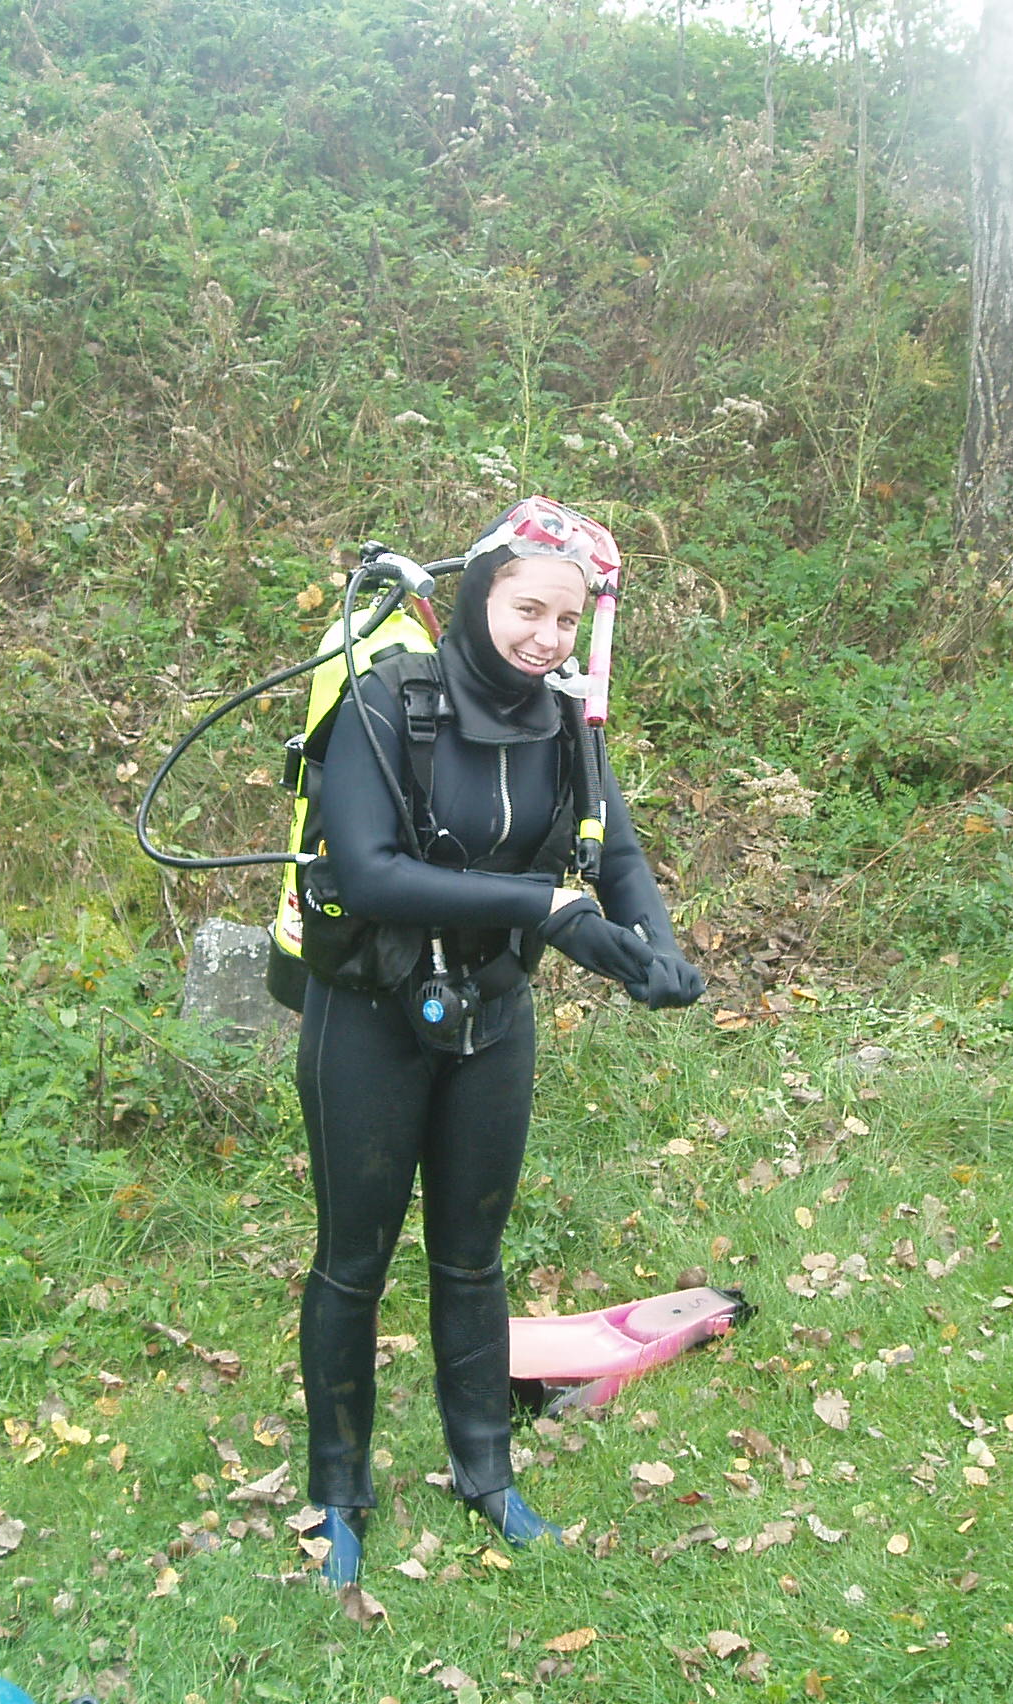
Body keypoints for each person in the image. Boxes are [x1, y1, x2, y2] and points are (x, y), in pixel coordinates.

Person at [294, 497, 704, 1586]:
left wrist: (655, 951)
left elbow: (614, 852)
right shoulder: (389, 705)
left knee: (472, 1256)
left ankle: (486, 1475)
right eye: (527, 609)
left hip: (490, 1014)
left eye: (566, 621)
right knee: (353, 1263)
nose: (544, 638)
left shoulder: (562, 718)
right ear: (477, 596)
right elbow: (371, 870)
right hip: (371, 1014)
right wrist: (542, 910)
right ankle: (336, 1492)